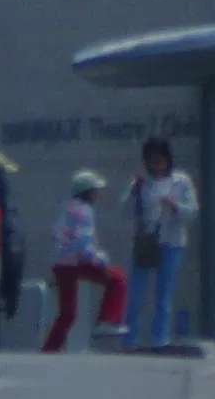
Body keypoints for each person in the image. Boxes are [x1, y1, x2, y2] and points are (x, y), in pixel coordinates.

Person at [120, 136, 199, 348]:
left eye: (160, 161)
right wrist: (132, 193)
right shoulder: (141, 183)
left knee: (164, 294)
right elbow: (125, 211)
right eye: (152, 162)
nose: (157, 166)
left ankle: (160, 338)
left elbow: (192, 212)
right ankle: (130, 337)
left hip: (172, 242)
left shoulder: (181, 181)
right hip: (146, 242)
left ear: (168, 160)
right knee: (135, 293)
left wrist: (175, 206)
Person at [41, 169, 129, 353]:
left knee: (68, 313)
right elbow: (83, 243)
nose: (98, 194)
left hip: (60, 264)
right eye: (96, 190)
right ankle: (108, 321)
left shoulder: (65, 208)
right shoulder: (84, 211)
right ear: (88, 192)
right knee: (118, 278)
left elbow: (56, 236)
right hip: (77, 261)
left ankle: (50, 348)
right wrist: (100, 261)